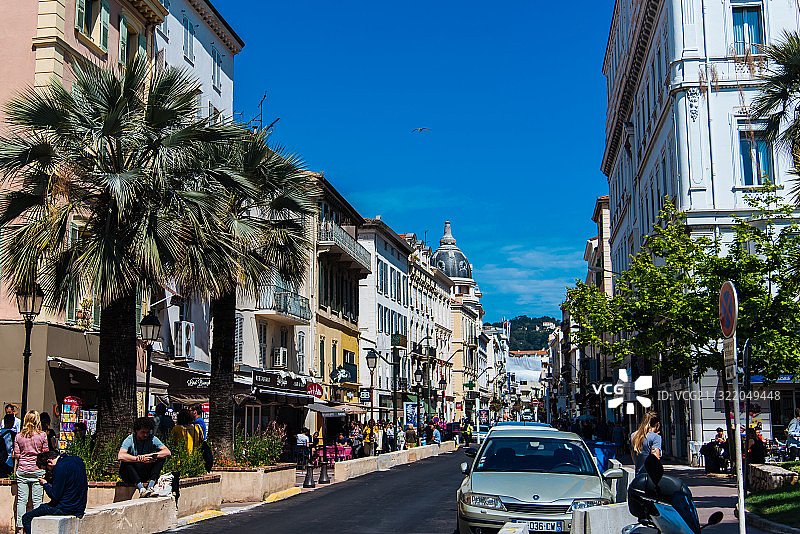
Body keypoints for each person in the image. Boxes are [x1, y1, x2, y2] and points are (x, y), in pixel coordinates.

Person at [21, 450, 87, 534]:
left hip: (65, 508)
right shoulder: (77, 460)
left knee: (26, 518)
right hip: (79, 507)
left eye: (47, 468)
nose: (49, 471)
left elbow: (54, 496)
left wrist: (45, 484)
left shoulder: (59, 468)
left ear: (49, 461)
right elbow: (69, 483)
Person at [118, 417, 171, 498]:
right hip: (132, 473)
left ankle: (151, 486)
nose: (145, 435)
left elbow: (167, 452)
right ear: (136, 431)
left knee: (161, 458)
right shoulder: (130, 439)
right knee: (126, 462)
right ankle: (141, 489)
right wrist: (138, 458)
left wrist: (151, 456)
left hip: (145, 470)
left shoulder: (152, 438)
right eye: (143, 432)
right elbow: (121, 455)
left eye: (147, 432)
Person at [14, 411, 49, 534]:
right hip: (37, 470)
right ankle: (35, 526)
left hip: (23, 470)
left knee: (22, 500)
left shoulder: (18, 436)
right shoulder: (42, 435)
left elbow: (17, 455)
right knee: (37, 501)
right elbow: (45, 453)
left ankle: (20, 527)